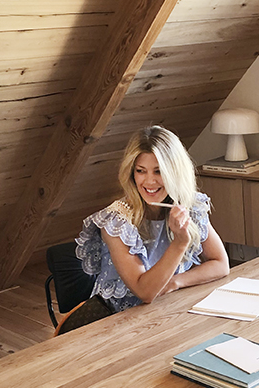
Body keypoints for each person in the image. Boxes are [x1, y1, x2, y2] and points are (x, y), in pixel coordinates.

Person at [75, 125, 229, 312]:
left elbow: (221, 264)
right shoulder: (116, 221)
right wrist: (180, 243)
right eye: (141, 171)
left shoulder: (189, 206)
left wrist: (176, 282)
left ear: (175, 172)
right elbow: (145, 292)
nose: (149, 182)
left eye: (158, 171)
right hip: (119, 319)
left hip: (169, 307)